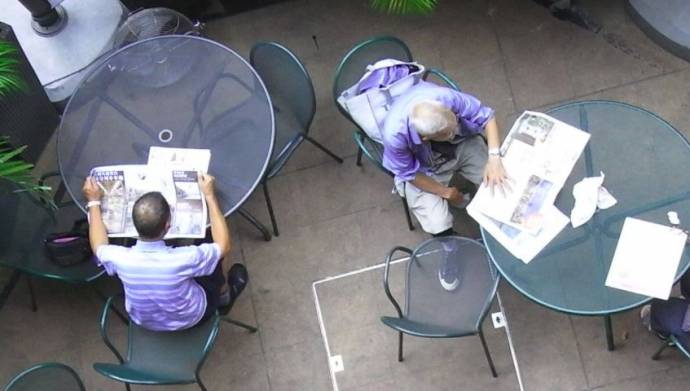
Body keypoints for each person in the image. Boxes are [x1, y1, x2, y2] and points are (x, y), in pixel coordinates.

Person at [381, 80, 509, 291]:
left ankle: (508, 228)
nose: (453, 130)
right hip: (425, 168)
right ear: (424, 137)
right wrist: (447, 193)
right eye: (446, 133)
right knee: (436, 221)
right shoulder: (395, 136)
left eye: (454, 123)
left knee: (501, 181)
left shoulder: (445, 99)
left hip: (462, 145)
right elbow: (408, 173)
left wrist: (494, 158)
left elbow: (487, 117)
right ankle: (450, 248)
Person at [82, 173, 247, 331]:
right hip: (192, 317)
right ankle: (224, 298)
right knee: (211, 241)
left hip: (144, 321)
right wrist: (210, 196)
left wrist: (93, 202)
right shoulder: (185, 258)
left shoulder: (119, 258)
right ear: (168, 226)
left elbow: (98, 246)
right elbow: (223, 246)